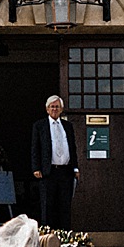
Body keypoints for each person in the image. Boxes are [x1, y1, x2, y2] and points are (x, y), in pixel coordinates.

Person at [31, 94, 80, 230]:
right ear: (47, 109)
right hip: (48, 172)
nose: (54, 109)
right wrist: (36, 167)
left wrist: (75, 168)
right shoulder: (39, 126)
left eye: (57, 107)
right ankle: (48, 236)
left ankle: (65, 236)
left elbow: (72, 148)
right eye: (52, 107)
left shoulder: (67, 126)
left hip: (65, 171)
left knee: (65, 205)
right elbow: (35, 148)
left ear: (61, 109)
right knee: (48, 205)